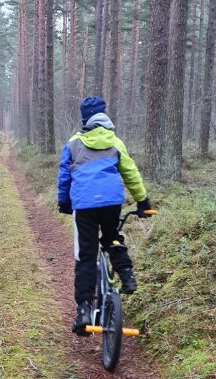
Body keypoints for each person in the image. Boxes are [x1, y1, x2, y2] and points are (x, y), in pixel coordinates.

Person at [57, 96, 152, 336]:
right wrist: (143, 201)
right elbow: (130, 172)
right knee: (112, 237)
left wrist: (64, 202)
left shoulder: (73, 143)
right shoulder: (115, 141)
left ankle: (84, 310)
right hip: (111, 203)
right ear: (105, 115)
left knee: (85, 255)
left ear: (84, 118)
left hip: (85, 206)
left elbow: (64, 177)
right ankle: (127, 275)